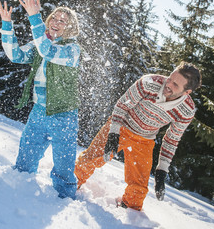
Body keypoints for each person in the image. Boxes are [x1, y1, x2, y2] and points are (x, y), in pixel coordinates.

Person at [74, 62, 201, 210]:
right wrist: (114, 132)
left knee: (139, 187)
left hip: (145, 140)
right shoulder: (149, 83)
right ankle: (69, 183)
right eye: (170, 78)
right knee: (92, 158)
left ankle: (128, 210)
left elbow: (171, 139)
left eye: (175, 85)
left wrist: (161, 170)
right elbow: (122, 105)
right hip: (122, 125)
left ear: (187, 92)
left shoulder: (186, 110)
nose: (169, 84)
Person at [0, 0, 81, 199]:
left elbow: (48, 52)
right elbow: (14, 55)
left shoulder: (72, 49)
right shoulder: (40, 44)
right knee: (26, 157)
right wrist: (7, 24)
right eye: (55, 18)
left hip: (63, 114)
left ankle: (64, 202)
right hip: (39, 110)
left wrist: (34, 17)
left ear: (70, 29)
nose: (57, 22)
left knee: (63, 164)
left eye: (63, 21)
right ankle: (19, 192)